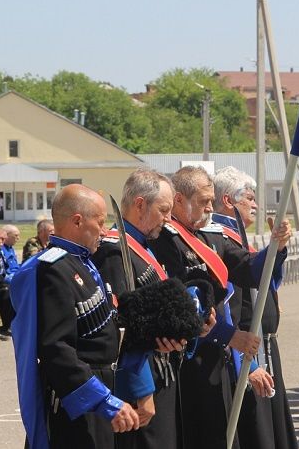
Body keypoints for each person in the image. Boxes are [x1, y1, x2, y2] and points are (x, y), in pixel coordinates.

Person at [149, 165, 291, 449]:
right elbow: (184, 305)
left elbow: (249, 270)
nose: (210, 208)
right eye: (204, 201)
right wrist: (229, 336)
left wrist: (276, 246)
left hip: (218, 359)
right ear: (179, 200)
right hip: (188, 360)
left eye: (212, 201)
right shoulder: (165, 240)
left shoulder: (211, 236)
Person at [11, 184, 140, 449]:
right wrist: (101, 399)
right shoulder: (54, 270)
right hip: (76, 399)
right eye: (100, 222)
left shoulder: (81, 261)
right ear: (77, 221)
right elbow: (56, 348)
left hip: (99, 387)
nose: (104, 231)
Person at [92, 168, 191, 449]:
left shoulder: (145, 245)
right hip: (141, 380)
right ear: (139, 204)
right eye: (163, 210)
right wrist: (142, 389)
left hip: (162, 370)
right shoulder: (115, 252)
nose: (168, 218)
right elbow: (125, 327)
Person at [211, 166, 299, 449]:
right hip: (248, 352)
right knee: (256, 435)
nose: (256, 205)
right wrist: (247, 364)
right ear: (228, 200)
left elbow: (266, 283)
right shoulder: (219, 241)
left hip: (265, 346)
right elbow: (229, 309)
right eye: (249, 198)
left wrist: (278, 247)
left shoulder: (238, 239)